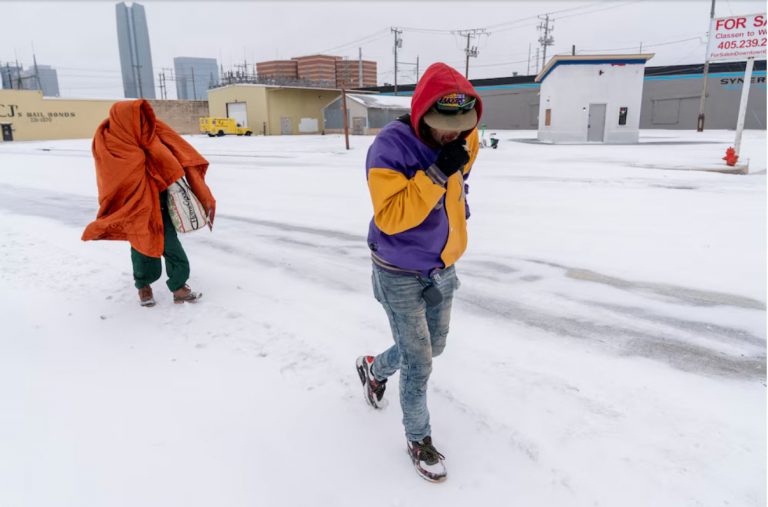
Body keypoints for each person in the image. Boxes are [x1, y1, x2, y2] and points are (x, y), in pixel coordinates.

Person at [356, 62, 482, 483]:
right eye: (445, 128)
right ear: (421, 113)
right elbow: (391, 217)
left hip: (442, 266)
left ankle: (373, 369)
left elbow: (463, 168)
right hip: (398, 271)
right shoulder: (389, 147)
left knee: (434, 347)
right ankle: (419, 438)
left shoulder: (463, 135)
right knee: (419, 362)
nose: (454, 136)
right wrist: (435, 173)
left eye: (462, 128)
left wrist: (455, 173)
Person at [82, 100, 215, 307]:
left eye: (144, 116)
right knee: (141, 244)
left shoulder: (152, 132)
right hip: (133, 203)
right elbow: (110, 176)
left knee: (170, 242)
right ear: (125, 119)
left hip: (161, 199)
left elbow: (177, 151)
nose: (143, 121)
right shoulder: (109, 142)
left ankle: (179, 287)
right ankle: (144, 286)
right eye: (137, 117)